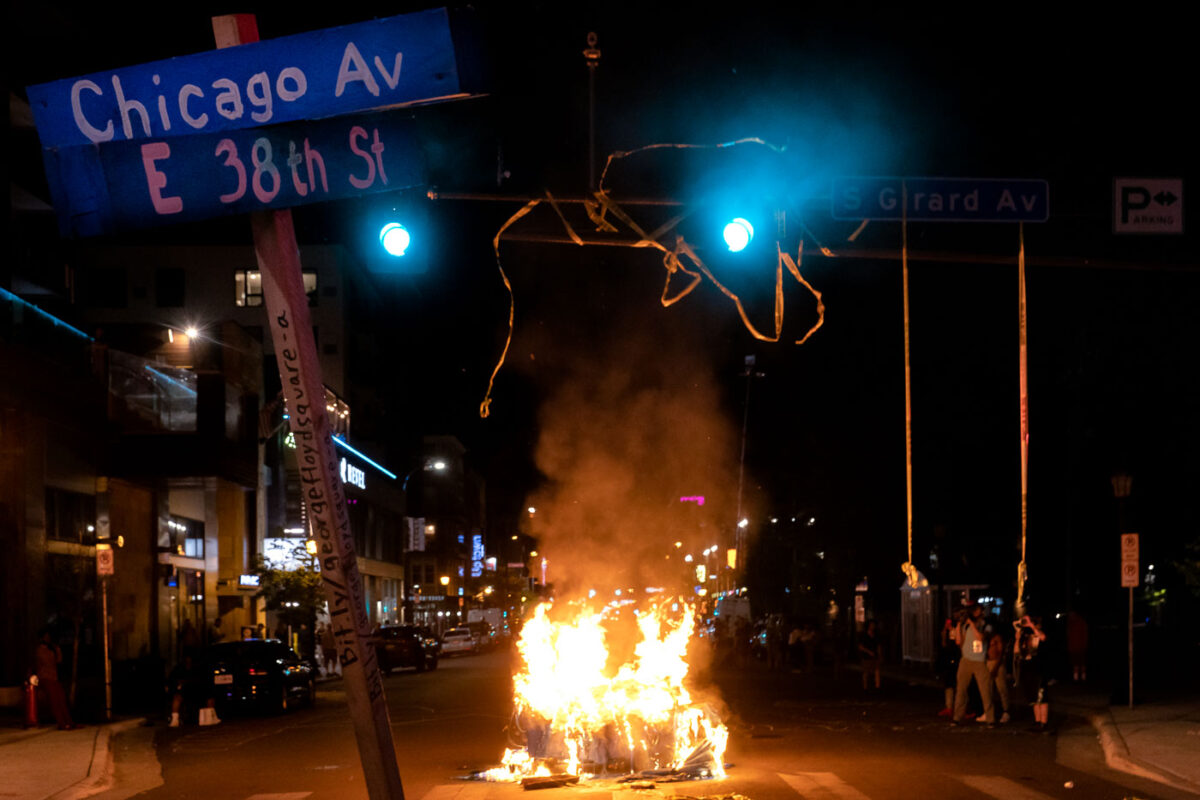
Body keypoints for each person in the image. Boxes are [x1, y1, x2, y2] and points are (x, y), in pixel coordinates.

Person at [952, 603, 995, 725]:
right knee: (961, 690)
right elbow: (958, 642)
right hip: (966, 660)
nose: (979, 614)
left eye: (979, 612)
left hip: (980, 661)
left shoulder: (986, 626)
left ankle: (990, 718)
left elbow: (981, 638)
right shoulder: (965, 626)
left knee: (985, 690)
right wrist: (959, 625)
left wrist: (973, 625)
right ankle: (957, 717)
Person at [32, 629, 79, 730]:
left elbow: (58, 661)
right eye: (46, 636)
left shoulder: (51, 649)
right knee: (55, 701)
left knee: (61, 698)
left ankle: (69, 721)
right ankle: (62, 723)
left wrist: (57, 650)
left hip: (54, 677)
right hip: (45, 677)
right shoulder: (40, 650)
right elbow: (44, 663)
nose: (48, 638)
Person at [1015, 614, 1049, 731]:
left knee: (1042, 697)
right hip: (1028, 670)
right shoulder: (1025, 636)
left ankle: (1044, 723)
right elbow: (1016, 651)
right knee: (1033, 698)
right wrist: (1018, 633)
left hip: (1039, 670)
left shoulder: (1039, 634)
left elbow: (1043, 637)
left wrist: (1032, 625)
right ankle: (1037, 721)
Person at [166, 653, 220, 727]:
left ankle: (211, 716)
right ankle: (175, 719)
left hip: (199, 690)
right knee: (177, 697)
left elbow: (206, 680)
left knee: (210, 696)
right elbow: (172, 680)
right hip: (186, 690)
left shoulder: (199, 667)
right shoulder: (179, 668)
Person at [986, 621, 1011, 724]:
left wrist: (996, 667)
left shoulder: (997, 638)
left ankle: (1006, 711)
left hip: (997, 664)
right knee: (989, 690)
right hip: (988, 663)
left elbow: (1000, 653)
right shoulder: (987, 638)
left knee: (1002, 689)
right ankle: (990, 712)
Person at [935, 618, 959, 717]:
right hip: (947, 661)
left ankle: (958, 707)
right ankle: (949, 706)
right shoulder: (944, 633)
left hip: (955, 660)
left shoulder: (956, 631)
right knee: (948, 684)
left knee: (957, 684)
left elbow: (955, 645)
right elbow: (943, 645)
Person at [857, 620, 881, 690]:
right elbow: (860, 647)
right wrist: (868, 652)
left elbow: (878, 645)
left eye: (873, 625)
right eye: (871, 625)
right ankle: (865, 686)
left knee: (877, 670)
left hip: (875, 655)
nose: (873, 626)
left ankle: (877, 686)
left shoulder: (876, 635)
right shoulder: (864, 635)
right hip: (866, 656)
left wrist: (879, 654)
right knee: (866, 672)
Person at [1066, 610, 1088, 682]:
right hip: (1073, 647)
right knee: (1075, 663)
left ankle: (1082, 677)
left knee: (1082, 663)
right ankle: (1076, 678)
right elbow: (1069, 636)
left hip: (1080, 646)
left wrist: (1084, 645)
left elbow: (1084, 635)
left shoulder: (1081, 622)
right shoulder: (1070, 623)